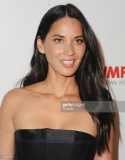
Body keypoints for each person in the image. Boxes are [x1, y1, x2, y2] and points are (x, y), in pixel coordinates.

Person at [0, 3, 115, 160]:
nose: (70, 51)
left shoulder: (99, 104)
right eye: (59, 40)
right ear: (40, 44)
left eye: (78, 40)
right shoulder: (14, 101)